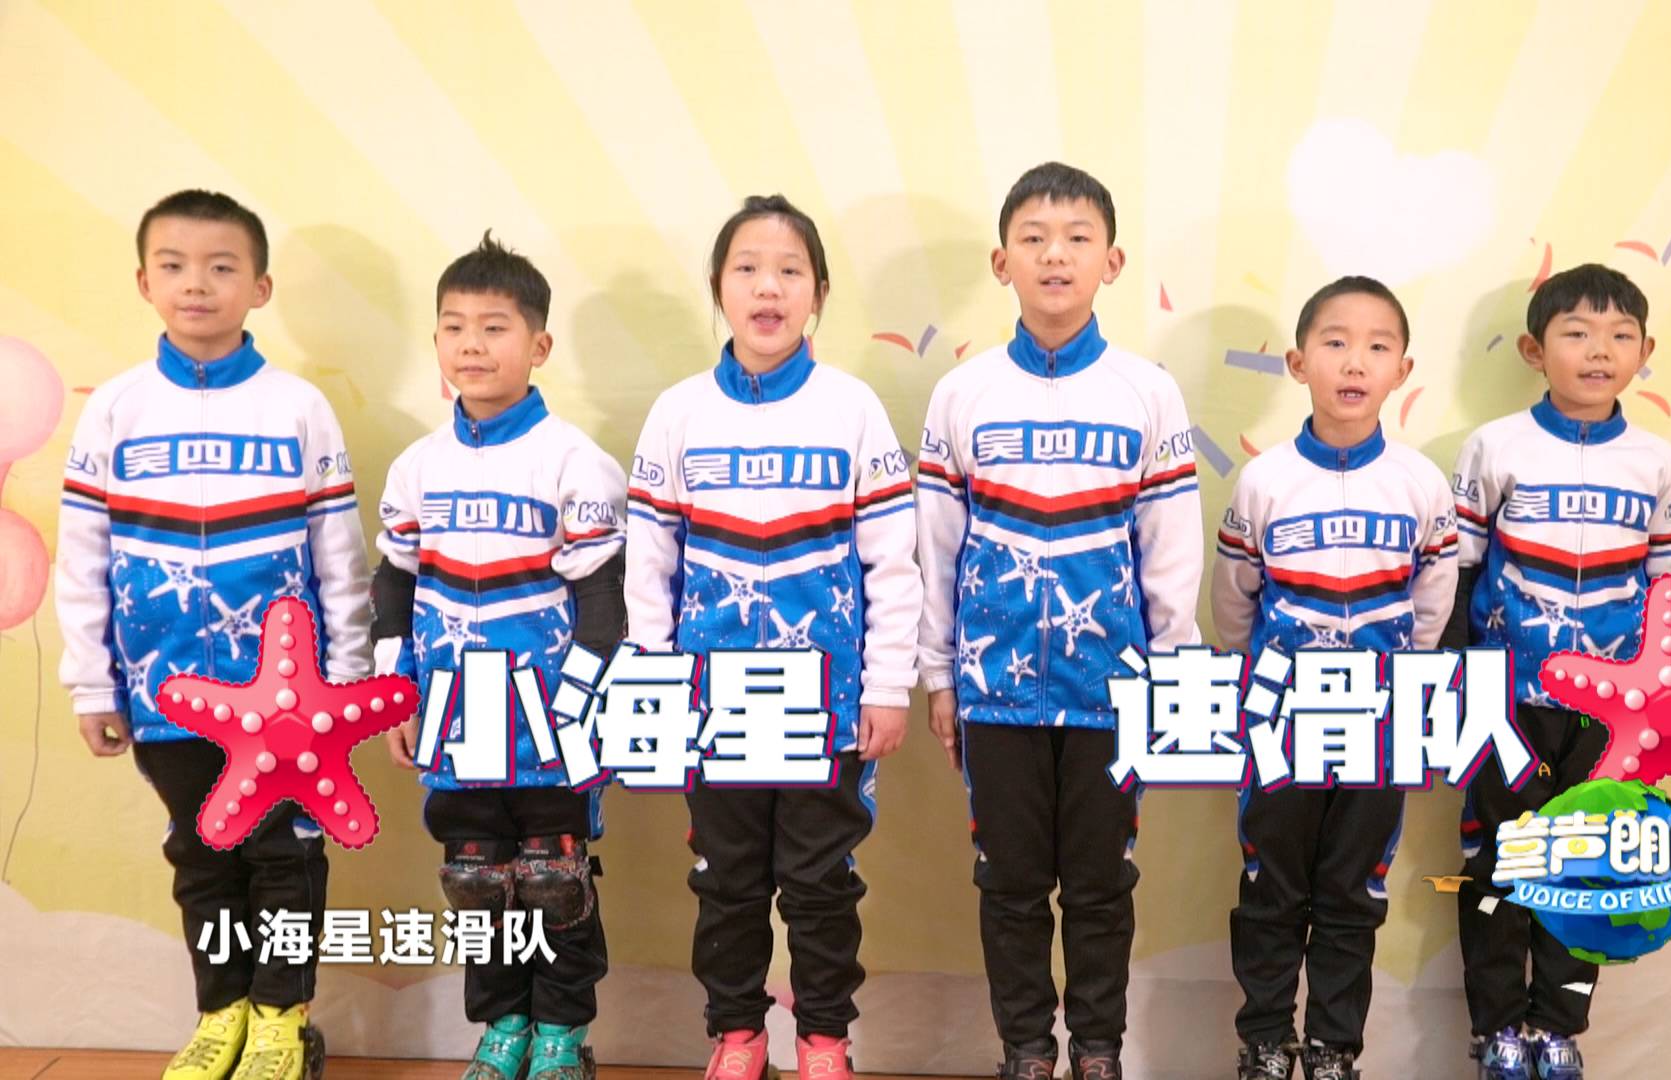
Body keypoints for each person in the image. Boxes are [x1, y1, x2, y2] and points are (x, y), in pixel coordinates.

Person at [56, 189, 370, 1080]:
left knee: (282, 858)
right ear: (145, 283)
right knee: (201, 856)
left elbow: (340, 558)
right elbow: (83, 556)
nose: (197, 284)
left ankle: (279, 1019)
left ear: (259, 288)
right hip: (163, 696)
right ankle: (220, 1013)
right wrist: (93, 683)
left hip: (287, 702)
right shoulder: (114, 410)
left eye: (222, 267)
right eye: (175, 266)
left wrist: (347, 680)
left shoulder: (298, 408)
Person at [915, 162, 1203, 1080]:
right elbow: (937, 546)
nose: (1055, 255)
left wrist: (1172, 680)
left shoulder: (1147, 392)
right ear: (1001, 262)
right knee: (1007, 884)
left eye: (1078, 238)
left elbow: (1170, 548)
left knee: (1101, 885)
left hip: (1113, 691)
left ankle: (1098, 1052)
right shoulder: (963, 395)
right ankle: (1027, 1052)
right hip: (992, 691)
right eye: (1034, 238)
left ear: (1111, 262)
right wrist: (940, 675)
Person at [624, 195, 919, 1080]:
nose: (768, 288)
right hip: (710, 704)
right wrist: (654, 686)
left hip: (827, 705)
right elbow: (650, 566)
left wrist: (886, 686)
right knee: (727, 880)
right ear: (719, 288)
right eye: (747, 269)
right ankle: (737, 1036)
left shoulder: (853, 409)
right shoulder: (678, 414)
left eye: (791, 272)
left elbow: (892, 562)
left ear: (818, 294)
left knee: (822, 883)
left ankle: (825, 1040)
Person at [374, 232, 626, 1080]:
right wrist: (395, 692)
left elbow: (604, 601)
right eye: (454, 328)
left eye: (495, 327)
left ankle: (561, 1033)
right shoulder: (417, 468)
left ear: (539, 345)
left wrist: (578, 704)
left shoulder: (574, 462)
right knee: (476, 881)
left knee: (556, 879)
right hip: (456, 718)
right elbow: (394, 584)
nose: (472, 345)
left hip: (552, 721)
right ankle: (503, 1027)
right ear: (436, 342)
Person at [1447, 264, 1671, 1080]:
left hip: (1611, 709)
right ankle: (1495, 1030)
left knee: (1586, 859)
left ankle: (1557, 1027)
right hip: (1507, 698)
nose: (1600, 351)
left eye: (1621, 336)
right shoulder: (1495, 447)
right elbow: (1458, 573)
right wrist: (1456, 682)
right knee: (1499, 857)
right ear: (1535, 350)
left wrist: (1664, 699)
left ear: (1644, 354)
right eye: (1578, 333)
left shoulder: (1658, 462)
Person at [1212, 276, 1458, 1080]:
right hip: (1280, 723)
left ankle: (1331, 1049)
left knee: (1354, 891)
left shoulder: (1421, 484)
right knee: (1271, 886)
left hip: (1379, 726)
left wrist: (1402, 685)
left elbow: (1433, 601)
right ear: (1298, 363)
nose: (1356, 362)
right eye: (1336, 343)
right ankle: (1263, 1041)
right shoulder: (1265, 481)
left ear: (1402, 370)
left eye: (1377, 347)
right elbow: (1235, 602)